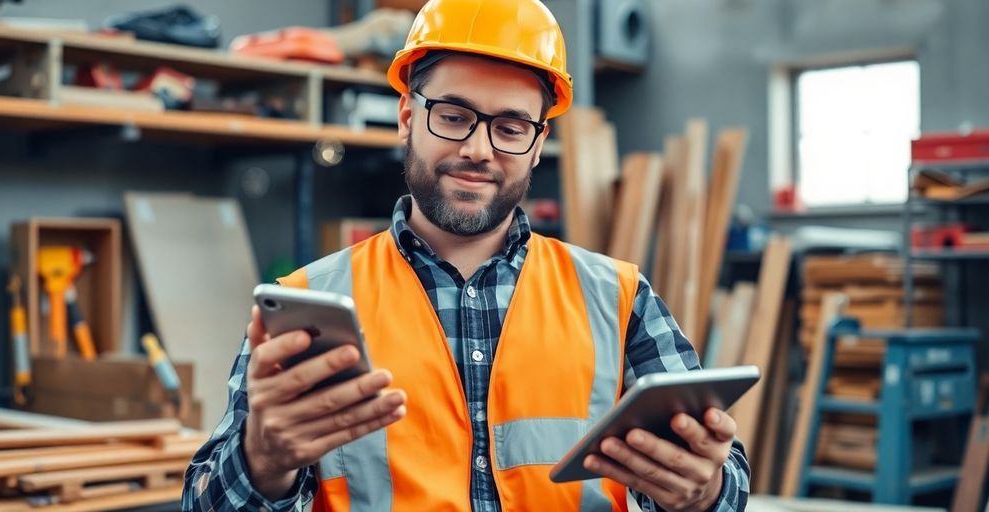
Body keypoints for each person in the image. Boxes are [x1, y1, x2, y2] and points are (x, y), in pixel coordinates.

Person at [182, 0, 750, 510]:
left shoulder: (618, 297)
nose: (478, 149)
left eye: (510, 126)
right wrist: (264, 462)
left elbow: (722, 479)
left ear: (537, 143)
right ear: (408, 117)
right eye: (453, 117)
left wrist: (702, 492)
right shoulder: (308, 304)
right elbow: (205, 502)